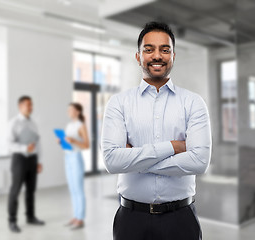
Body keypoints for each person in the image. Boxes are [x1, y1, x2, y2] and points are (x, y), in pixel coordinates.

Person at [101, 21, 212, 240]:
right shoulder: (119, 103)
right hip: (131, 220)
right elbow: (112, 161)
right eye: (149, 49)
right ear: (138, 56)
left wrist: (135, 161)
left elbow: (200, 161)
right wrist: (173, 147)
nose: (157, 56)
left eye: (165, 49)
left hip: (181, 219)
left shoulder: (193, 103)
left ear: (173, 55)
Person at [7, 96, 45, 233]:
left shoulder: (33, 123)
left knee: (31, 190)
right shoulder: (14, 123)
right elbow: (9, 145)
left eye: (32, 105)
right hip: (19, 159)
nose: (31, 107)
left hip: (32, 159)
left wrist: (39, 161)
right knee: (15, 190)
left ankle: (30, 216)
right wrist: (24, 148)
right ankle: (12, 220)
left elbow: (38, 143)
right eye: (28, 105)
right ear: (20, 106)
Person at [58, 103, 89, 230]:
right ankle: (75, 216)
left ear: (77, 111)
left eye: (71, 110)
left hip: (76, 158)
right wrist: (62, 141)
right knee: (72, 188)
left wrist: (74, 141)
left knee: (78, 189)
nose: (69, 112)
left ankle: (80, 218)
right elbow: (68, 142)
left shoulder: (81, 126)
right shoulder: (69, 125)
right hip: (67, 157)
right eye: (68, 110)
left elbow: (86, 145)